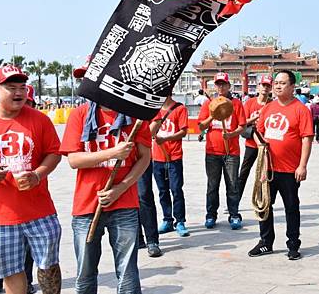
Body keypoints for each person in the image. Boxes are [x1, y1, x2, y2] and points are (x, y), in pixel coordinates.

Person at [60, 81, 152, 293]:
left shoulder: (135, 117)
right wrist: (112, 153)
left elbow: (144, 158)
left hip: (125, 204)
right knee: (85, 273)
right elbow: (74, 160)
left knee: (128, 273)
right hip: (86, 205)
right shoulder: (80, 114)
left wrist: (121, 188)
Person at [0, 65, 63, 294]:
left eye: (22, 87)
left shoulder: (40, 120)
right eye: (11, 87)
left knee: (48, 267)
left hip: (40, 212)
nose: (18, 93)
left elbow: (54, 153)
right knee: (11, 272)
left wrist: (37, 175)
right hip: (0, 216)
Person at [248, 70, 313, 260]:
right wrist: (260, 145)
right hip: (267, 168)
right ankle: (265, 242)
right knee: (264, 206)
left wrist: (302, 166)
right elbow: (257, 131)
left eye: (282, 83)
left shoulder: (301, 110)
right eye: (276, 83)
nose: (277, 86)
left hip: (290, 169)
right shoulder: (268, 108)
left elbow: (306, 139)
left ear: (292, 87)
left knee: (291, 207)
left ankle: (293, 244)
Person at [197, 72, 246, 230]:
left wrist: (231, 134)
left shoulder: (236, 103)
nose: (221, 87)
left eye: (223, 84)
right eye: (218, 84)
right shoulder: (208, 103)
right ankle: (211, 215)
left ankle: (234, 214)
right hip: (212, 151)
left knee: (232, 185)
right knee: (212, 185)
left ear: (229, 86)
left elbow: (242, 126)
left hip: (231, 152)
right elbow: (201, 126)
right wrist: (213, 114)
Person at [150, 97, 190, 238]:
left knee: (176, 189)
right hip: (157, 157)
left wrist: (165, 139)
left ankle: (180, 221)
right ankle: (167, 219)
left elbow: (183, 131)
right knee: (162, 190)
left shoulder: (180, 108)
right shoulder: (153, 109)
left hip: (174, 156)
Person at [238, 75, 272, 200]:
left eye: (268, 86)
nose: (265, 88)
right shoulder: (250, 103)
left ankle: (262, 200)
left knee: (264, 173)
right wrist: (255, 118)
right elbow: (242, 122)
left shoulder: (272, 104)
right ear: (258, 86)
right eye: (263, 85)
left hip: (266, 144)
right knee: (244, 172)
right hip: (251, 144)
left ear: (271, 88)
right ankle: (235, 201)